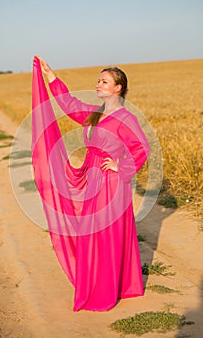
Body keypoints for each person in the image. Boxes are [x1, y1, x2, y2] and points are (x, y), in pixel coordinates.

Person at [32, 56, 150, 312]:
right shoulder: (96, 114)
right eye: (98, 80)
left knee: (104, 234)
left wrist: (122, 166)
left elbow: (142, 147)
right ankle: (103, 283)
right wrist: (50, 76)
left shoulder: (125, 117)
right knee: (92, 233)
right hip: (93, 179)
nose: (98, 84)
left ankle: (105, 289)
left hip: (111, 183)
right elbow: (70, 105)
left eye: (104, 81)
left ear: (117, 88)